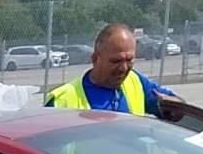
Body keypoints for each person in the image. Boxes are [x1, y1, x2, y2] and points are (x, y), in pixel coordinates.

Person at [47, 25, 175, 115]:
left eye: (129, 60)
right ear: (95, 59)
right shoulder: (62, 101)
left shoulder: (136, 82)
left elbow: (176, 108)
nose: (124, 68)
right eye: (116, 61)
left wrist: (173, 106)